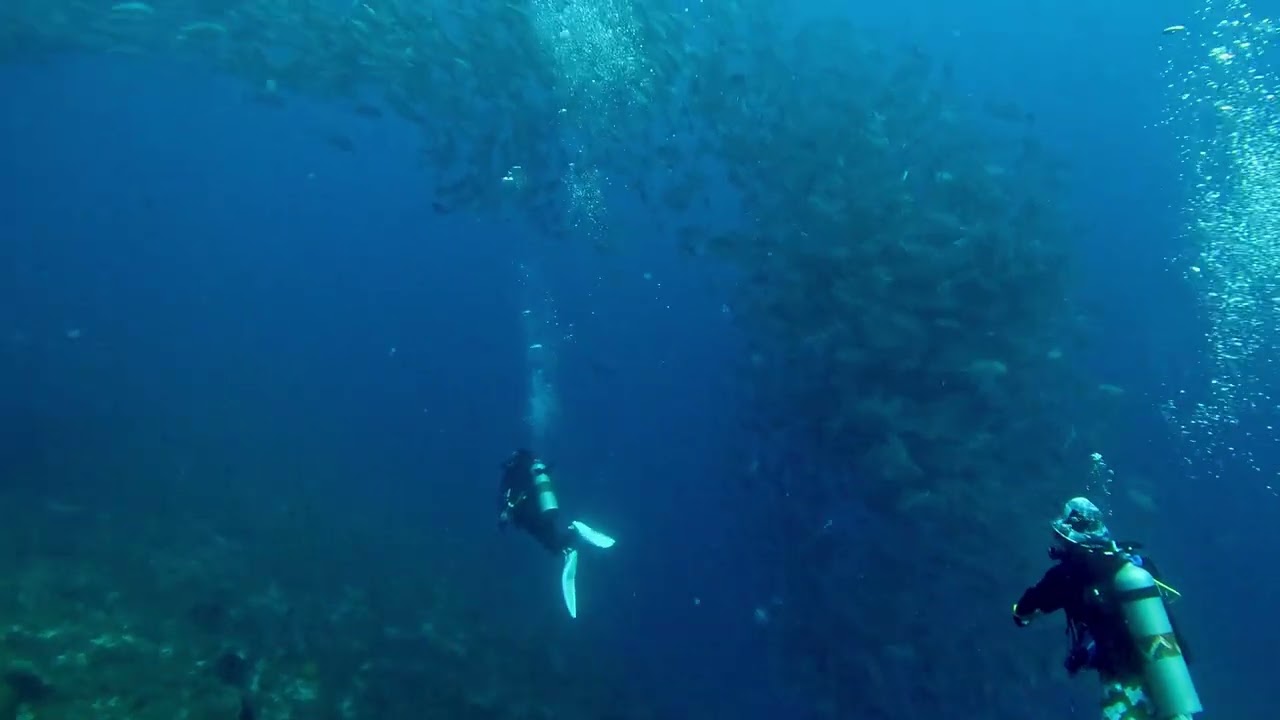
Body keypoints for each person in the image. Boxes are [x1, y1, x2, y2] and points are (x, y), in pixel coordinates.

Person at [1012, 497, 1202, 720]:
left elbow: (1028, 605)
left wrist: (1021, 613)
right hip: (1168, 672)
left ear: (1069, 537)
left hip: (1122, 675)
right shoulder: (1134, 563)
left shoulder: (1068, 574)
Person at [498, 448, 615, 618]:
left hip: (529, 515)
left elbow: (510, 499)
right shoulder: (532, 468)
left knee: (551, 544)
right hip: (545, 509)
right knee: (554, 541)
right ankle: (572, 536)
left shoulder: (512, 473)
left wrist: (504, 515)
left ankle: (570, 543)